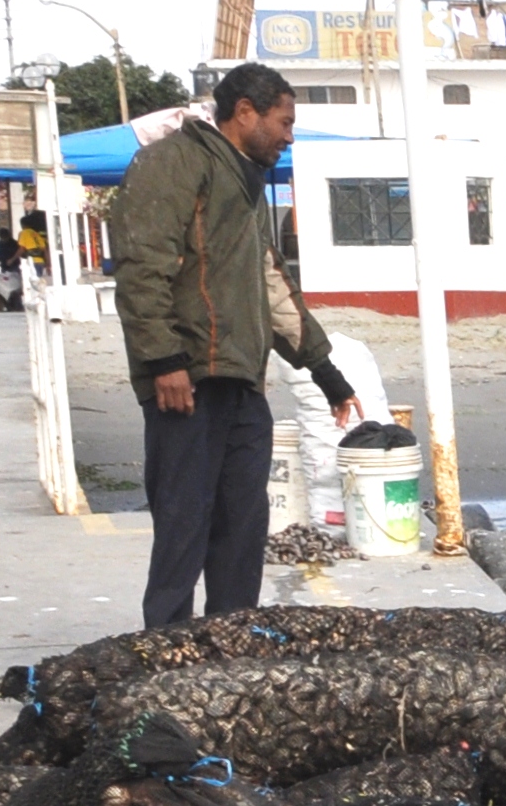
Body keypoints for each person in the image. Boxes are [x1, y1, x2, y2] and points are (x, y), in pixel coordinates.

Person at [110, 63, 357, 632]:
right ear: (245, 111)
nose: (289, 134)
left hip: (241, 379)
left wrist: (327, 373)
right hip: (187, 379)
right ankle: (168, 642)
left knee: (244, 523)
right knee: (182, 524)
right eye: (284, 121)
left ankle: (233, 637)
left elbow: (270, 282)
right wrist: (164, 361)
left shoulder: (244, 181)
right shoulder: (173, 162)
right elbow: (142, 269)